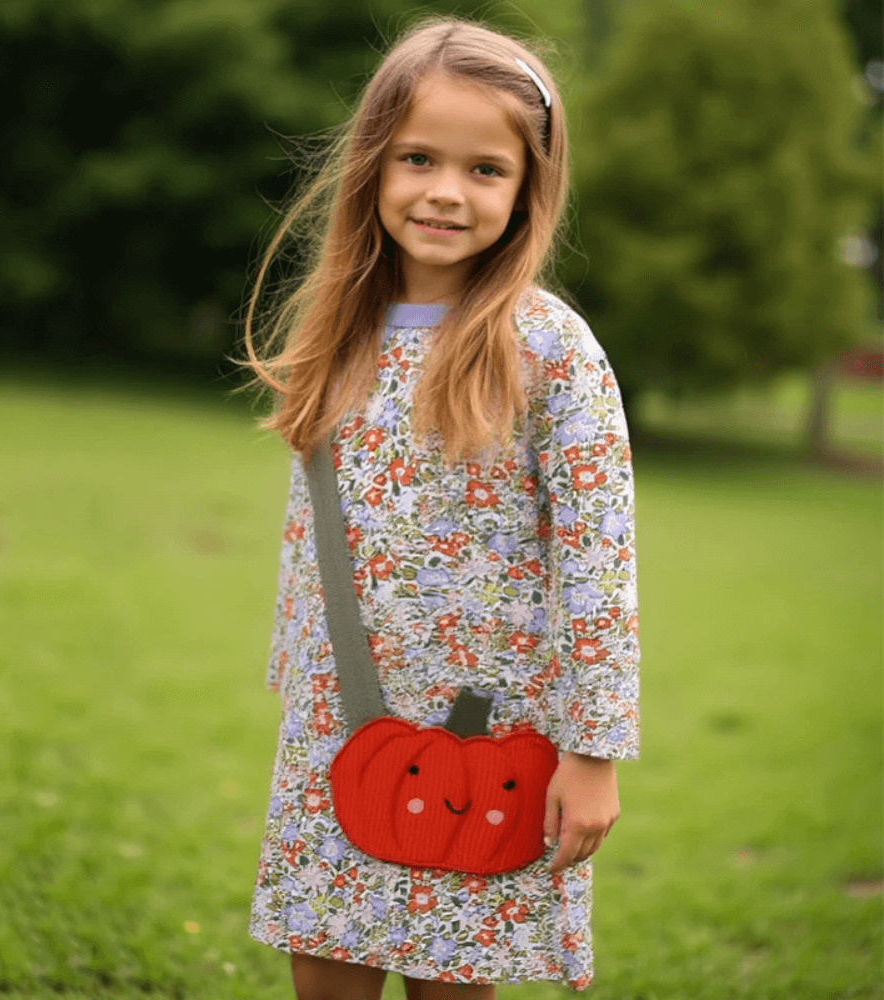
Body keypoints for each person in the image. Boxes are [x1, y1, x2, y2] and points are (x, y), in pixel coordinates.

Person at [241, 15, 640, 1000]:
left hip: (485, 740)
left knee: (452, 978)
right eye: (418, 157)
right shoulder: (342, 331)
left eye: (484, 169)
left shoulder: (547, 349)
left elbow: (600, 559)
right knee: (323, 961)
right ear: (374, 165)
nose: (445, 192)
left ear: (527, 188)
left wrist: (593, 752)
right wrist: (295, 681)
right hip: (342, 731)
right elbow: (316, 536)